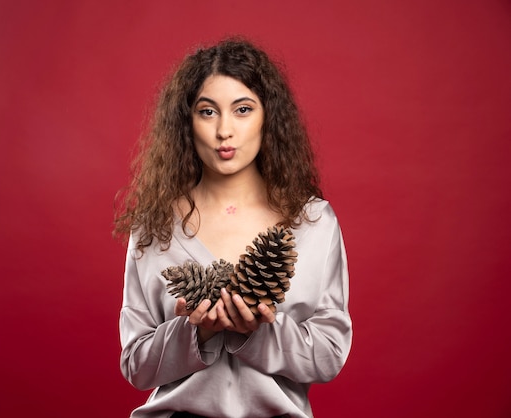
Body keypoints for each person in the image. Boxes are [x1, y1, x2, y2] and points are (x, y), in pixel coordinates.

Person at [114, 37, 352, 418]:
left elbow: (329, 355)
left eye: (243, 109)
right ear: (186, 122)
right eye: (207, 112)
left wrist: (259, 332)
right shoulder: (153, 226)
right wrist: (196, 333)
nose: (225, 130)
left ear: (267, 117)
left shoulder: (314, 222)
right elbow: (136, 365)